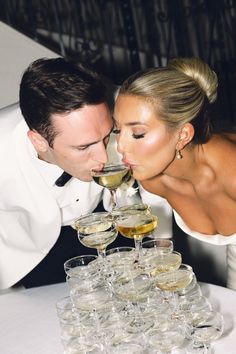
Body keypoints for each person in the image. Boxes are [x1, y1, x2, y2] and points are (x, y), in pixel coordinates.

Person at [113, 57, 236, 290]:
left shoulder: (232, 175)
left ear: (182, 136)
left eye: (137, 134)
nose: (120, 146)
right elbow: (160, 245)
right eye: (118, 129)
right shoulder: (153, 178)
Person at [0, 57, 118, 290]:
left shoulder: (125, 106)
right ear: (39, 141)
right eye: (84, 147)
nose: (104, 158)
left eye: (106, 137)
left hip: (111, 225)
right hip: (38, 251)